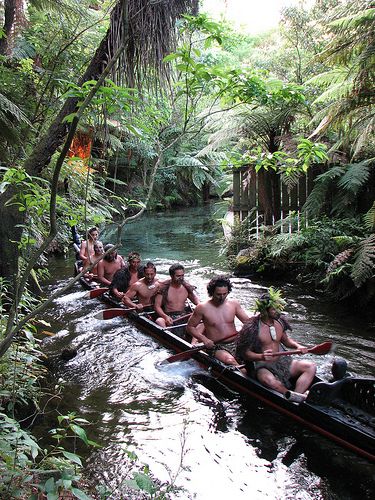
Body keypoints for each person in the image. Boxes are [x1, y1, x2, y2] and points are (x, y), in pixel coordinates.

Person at [236, 288, 316, 396]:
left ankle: (296, 396)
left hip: (282, 362)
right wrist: (261, 356)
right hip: (262, 366)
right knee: (270, 381)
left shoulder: (280, 322)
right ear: (265, 310)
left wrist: (298, 346)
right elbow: (245, 353)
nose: (278, 311)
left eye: (279, 308)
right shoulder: (252, 328)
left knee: (310, 366)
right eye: (274, 309)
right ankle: (288, 394)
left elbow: (287, 341)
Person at [186, 275, 250, 366]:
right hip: (216, 346)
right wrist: (204, 339)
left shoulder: (234, 304)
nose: (222, 297)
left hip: (236, 342)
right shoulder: (202, 307)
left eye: (225, 294)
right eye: (218, 294)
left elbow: (248, 323)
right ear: (212, 292)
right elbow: (190, 327)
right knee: (230, 361)